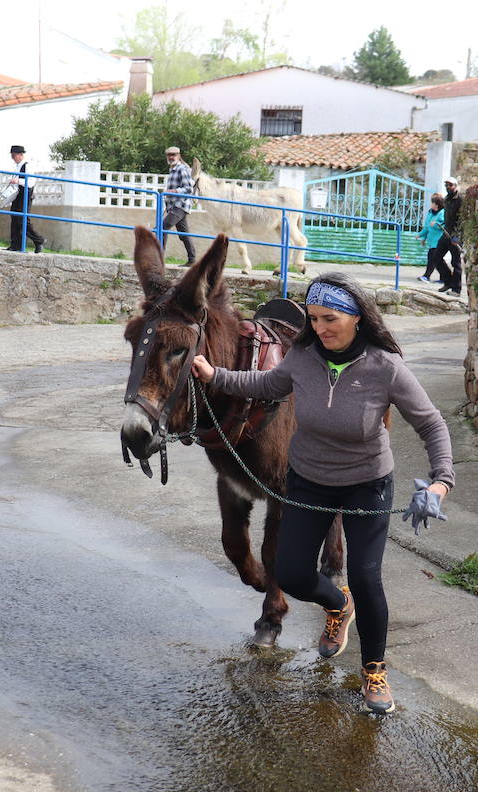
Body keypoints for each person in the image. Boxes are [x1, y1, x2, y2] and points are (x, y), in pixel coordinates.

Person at [190, 273, 454, 715]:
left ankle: (374, 670)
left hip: (367, 484)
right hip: (309, 482)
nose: (320, 328)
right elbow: (265, 386)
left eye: (329, 319)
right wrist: (215, 375)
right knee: (291, 575)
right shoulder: (303, 358)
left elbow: (431, 424)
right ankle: (338, 604)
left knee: (367, 578)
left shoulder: (384, 366)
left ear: (356, 318)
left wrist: (442, 480)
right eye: (313, 319)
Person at [162, 146, 197, 265]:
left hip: (180, 205)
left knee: (162, 227)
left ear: (179, 156)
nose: (171, 157)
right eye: (169, 155)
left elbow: (188, 189)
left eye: (174, 155)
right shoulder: (172, 169)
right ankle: (192, 260)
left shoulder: (182, 169)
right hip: (174, 206)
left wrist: (172, 191)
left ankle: (159, 259)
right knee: (184, 233)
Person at [6, 144, 44, 253]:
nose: (13, 158)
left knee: (22, 220)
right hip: (18, 194)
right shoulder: (17, 166)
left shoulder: (27, 166)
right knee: (15, 217)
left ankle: (38, 240)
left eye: (14, 155)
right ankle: (15, 244)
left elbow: (31, 182)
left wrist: (18, 181)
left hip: (25, 193)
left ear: (20, 155)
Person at [436, 176, 464, 295]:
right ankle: (448, 281)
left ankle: (456, 289)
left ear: (455, 186)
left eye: (450, 185)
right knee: (436, 257)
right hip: (446, 232)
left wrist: (457, 236)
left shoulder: (461, 200)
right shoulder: (447, 199)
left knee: (456, 262)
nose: (448, 187)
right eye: (446, 185)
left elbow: (463, 219)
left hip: (456, 235)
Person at [416, 193, 451, 286]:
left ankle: (427, 276)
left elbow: (443, 225)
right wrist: (421, 236)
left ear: (437, 204)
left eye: (433, 202)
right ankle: (444, 277)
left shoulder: (442, 213)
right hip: (432, 241)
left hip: (439, 241)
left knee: (432, 258)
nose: (431, 204)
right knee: (436, 259)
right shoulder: (430, 212)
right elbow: (427, 226)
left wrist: (435, 224)